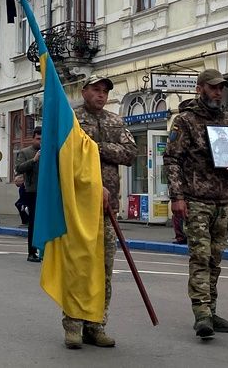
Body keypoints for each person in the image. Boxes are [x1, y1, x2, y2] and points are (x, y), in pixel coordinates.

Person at [61, 75, 137, 350]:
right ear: (83, 92)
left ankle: (97, 324)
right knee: (79, 267)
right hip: (78, 207)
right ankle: (73, 324)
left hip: (108, 209)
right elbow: (63, 156)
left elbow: (130, 153)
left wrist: (96, 148)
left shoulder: (115, 120)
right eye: (96, 89)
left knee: (104, 270)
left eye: (105, 91)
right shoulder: (71, 119)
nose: (101, 94)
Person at [165, 68, 228, 339]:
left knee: (216, 259)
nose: (218, 92)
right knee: (200, 256)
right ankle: (201, 314)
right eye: (212, 88)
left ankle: (212, 308)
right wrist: (177, 197)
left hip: (223, 198)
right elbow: (172, 159)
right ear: (200, 89)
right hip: (196, 199)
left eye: (221, 88)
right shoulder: (185, 120)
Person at [15, 126, 42, 262]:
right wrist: (34, 160)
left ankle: (45, 251)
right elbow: (18, 168)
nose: (40, 142)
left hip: (47, 191)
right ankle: (31, 252)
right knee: (33, 223)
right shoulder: (25, 152)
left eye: (43, 139)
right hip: (32, 191)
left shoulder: (50, 151)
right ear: (33, 139)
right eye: (38, 139)